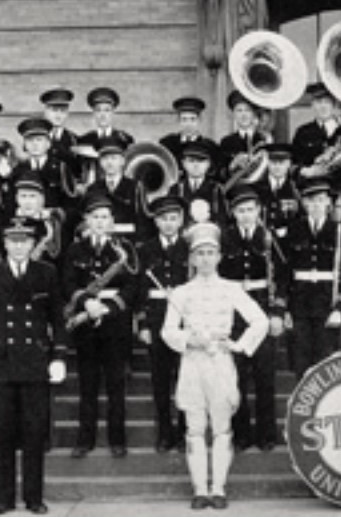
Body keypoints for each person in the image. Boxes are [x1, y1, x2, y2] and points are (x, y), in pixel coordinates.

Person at [161, 222, 268, 510]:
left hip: (220, 362)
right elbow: (167, 331)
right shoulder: (181, 293)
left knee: (222, 427)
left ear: (220, 256)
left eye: (211, 252)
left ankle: (218, 488)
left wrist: (239, 345)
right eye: (200, 253)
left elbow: (261, 321)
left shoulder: (232, 289)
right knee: (195, 428)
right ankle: (199, 489)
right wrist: (190, 339)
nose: (206, 258)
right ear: (192, 259)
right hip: (193, 363)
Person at [0, 216, 68, 515]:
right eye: (13, 240)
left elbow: (57, 319)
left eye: (24, 240)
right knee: (2, 433)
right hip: (0, 363)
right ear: (5, 243)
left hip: (35, 363)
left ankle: (34, 498)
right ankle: (5, 499)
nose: (19, 245)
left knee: (35, 432)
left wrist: (59, 356)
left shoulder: (47, 272)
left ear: (33, 243)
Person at [63, 193, 139, 459]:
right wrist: (86, 302)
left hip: (115, 323)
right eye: (95, 217)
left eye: (105, 217)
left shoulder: (124, 248)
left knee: (116, 384)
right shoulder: (75, 250)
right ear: (86, 220)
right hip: (85, 323)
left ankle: (117, 439)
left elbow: (132, 285)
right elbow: (68, 283)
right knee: (88, 384)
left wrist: (109, 307)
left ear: (112, 221)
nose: (99, 221)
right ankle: (85, 439)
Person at [219, 186, 287, 452]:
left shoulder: (269, 238)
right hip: (233, 314)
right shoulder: (224, 238)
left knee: (264, 376)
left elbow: (282, 278)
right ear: (233, 213)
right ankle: (241, 434)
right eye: (241, 211)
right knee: (234, 377)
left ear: (258, 211)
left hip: (261, 312)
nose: (246, 216)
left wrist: (278, 313)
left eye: (250, 210)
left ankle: (267, 434)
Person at [136, 195, 190, 453]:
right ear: (156, 222)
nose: (169, 224)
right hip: (157, 317)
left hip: (184, 320)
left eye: (173, 218)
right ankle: (165, 433)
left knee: (185, 377)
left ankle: (183, 431)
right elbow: (139, 289)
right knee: (160, 379)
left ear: (180, 220)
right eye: (163, 219)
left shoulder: (189, 248)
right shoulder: (145, 249)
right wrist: (144, 323)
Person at [284, 178, 341, 378]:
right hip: (300, 304)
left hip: (327, 304)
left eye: (321, 200)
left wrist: (339, 308)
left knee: (327, 361)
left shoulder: (339, 231)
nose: (316, 205)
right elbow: (286, 272)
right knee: (301, 360)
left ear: (328, 203)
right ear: (304, 204)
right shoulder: (294, 230)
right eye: (311, 201)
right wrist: (285, 309)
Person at [76, 87, 135, 187]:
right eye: (98, 110)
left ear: (113, 113)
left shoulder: (124, 139)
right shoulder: (84, 140)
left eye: (107, 110)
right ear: (93, 113)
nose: (102, 115)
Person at [168, 140, 227, 225]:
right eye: (191, 161)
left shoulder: (216, 190)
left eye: (201, 161)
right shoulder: (175, 190)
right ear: (183, 163)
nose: (196, 165)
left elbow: (222, 221)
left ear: (208, 164)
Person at [218, 90, 271, 183]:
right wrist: (232, 165)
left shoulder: (264, 139)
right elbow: (220, 174)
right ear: (233, 114)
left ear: (253, 114)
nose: (244, 115)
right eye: (239, 110)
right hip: (236, 190)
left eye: (248, 110)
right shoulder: (226, 142)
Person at [292, 82, 341, 172]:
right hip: (311, 183)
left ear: (333, 105)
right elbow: (294, 164)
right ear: (312, 105)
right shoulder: (302, 132)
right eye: (319, 102)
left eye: (327, 102)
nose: (323, 106)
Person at [159, 96, 220, 169]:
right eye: (184, 119)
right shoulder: (167, 144)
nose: (188, 124)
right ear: (178, 121)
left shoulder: (210, 147)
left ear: (199, 120)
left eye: (192, 119)